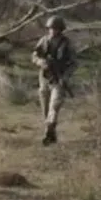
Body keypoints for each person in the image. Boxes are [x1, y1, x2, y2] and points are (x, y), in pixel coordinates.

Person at [31, 15, 76, 146]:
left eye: (56, 28)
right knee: (45, 107)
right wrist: (40, 62)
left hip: (59, 79)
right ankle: (51, 132)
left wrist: (66, 76)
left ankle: (48, 132)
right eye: (51, 28)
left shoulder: (66, 43)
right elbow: (34, 55)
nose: (53, 31)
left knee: (54, 107)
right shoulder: (43, 41)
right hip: (44, 77)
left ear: (61, 29)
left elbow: (74, 63)